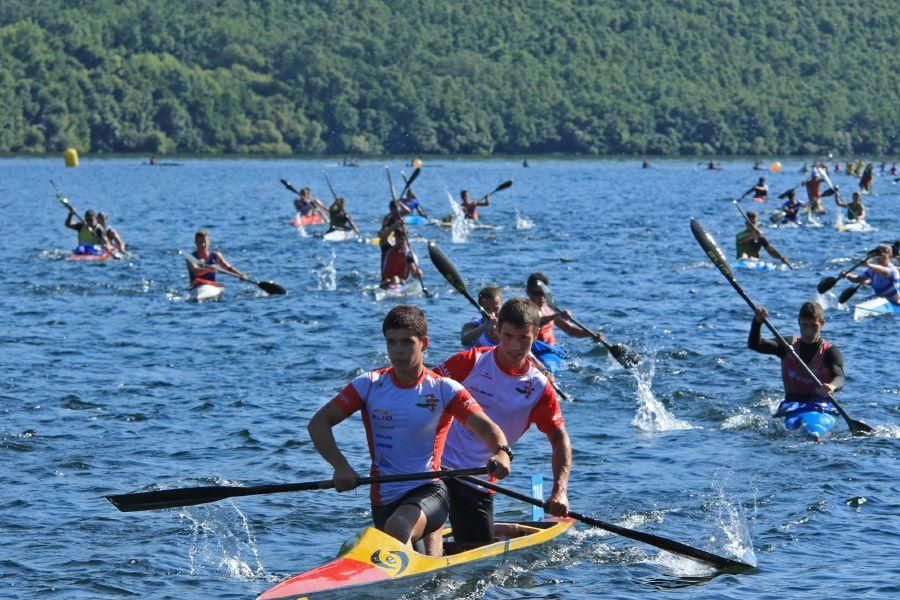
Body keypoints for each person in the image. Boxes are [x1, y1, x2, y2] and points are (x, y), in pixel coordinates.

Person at [306, 305, 511, 557]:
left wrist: (502, 453)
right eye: (391, 342)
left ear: (424, 343)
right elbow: (318, 424)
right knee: (410, 544)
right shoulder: (369, 385)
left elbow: (488, 428)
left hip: (430, 491)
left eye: (406, 342)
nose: (397, 351)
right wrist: (340, 465)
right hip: (383, 499)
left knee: (399, 525)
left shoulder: (444, 389)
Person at [433, 298, 570, 548]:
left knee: (475, 559)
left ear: (537, 334)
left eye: (523, 339)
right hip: (435, 469)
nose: (514, 347)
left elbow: (559, 438)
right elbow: (422, 393)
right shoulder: (471, 361)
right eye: (507, 336)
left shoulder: (539, 388)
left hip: (479, 479)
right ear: (497, 331)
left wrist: (559, 490)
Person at [748, 302, 845, 438]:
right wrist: (757, 322)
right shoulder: (788, 345)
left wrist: (832, 386)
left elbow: (840, 377)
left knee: (813, 430)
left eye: (814, 326)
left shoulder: (830, 352)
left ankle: (813, 431)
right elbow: (755, 344)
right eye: (805, 325)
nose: (809, 331)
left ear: (822, 323)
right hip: (792, 405)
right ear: (798, 322)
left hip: (820, 407)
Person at [525, 273, 604, 345]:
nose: (541, 297)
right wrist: (556, 315)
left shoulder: (549, 308)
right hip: (535, 349)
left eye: (543, 293)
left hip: (551, 349)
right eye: (537, 293)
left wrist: (591, 334)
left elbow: (570, 330)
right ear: (528, 292)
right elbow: (537, 322)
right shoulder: (524, 308)